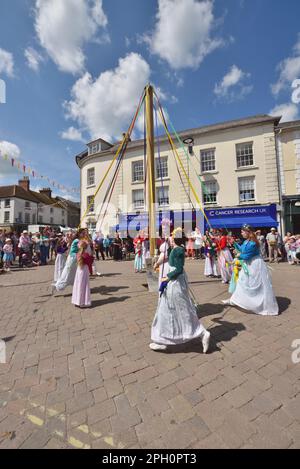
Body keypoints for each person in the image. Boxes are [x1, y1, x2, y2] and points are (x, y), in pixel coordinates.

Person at [150, 228, 211, 352]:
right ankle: (162, 339)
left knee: (173, 309)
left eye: (172, 236)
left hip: (175, 283)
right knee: (173, 309)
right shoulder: (177, 249)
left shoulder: (177, 250)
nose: (170, 238)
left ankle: (201, 333)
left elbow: (178, 269)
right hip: (175, 282)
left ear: (175, 238)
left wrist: (166, 278)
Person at [222, 225, 279, 316]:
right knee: (242, 282)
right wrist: (234, 244)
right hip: (248, 264)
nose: (241, 233)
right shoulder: (246, 241)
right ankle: (235, 300)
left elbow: (247, 256)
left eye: (243, 232)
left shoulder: (253, 243)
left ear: (249, 232)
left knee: (253, 284)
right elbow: (242, 249)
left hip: (254, 265)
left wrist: (237, 255)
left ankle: (255, 303)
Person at [72, 240, 93, 308]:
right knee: (84, 285)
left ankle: (77, 301)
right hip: (84, 270)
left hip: (79, 270)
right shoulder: (86, 255)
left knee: (78, 285)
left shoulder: (78, 253)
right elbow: (90, 262)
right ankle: (83, 302)